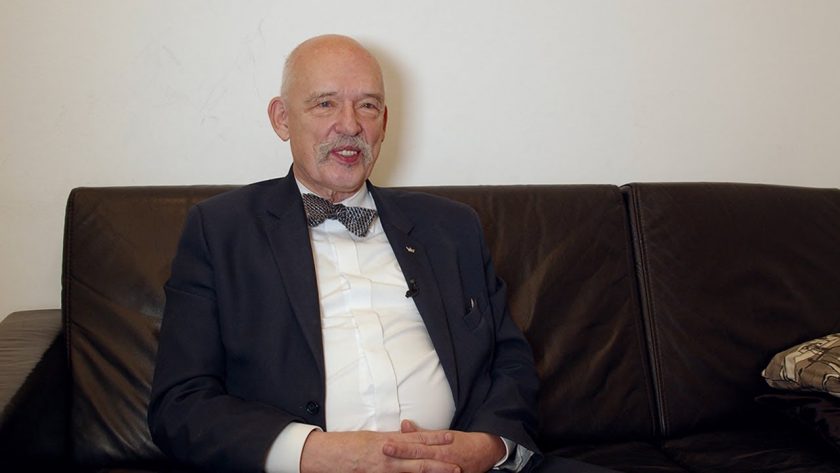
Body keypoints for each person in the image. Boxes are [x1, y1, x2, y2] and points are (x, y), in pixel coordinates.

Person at [148, 34, 543, 473]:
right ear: (281, 119)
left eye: (368, 106)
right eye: (325, 104)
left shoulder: (452, 227)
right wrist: (315, 453)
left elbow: (510, 362)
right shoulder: (220, 230)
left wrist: (489, 447)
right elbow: (180, 405)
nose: (350, 125)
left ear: (384, 122)